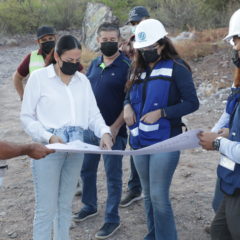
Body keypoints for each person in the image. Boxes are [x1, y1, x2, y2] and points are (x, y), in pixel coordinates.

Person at [20, 34, 113, 240]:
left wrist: (104, 132)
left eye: (77, 60)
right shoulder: (39, 79)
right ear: (56, 56)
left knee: (65, 206)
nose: (74, 64)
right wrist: (48, 137)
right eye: (69, 60)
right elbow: (26, 117)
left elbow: (93, 115)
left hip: (76, 148)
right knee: (46, 209)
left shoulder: (82, 81)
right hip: (47, 150)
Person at [124, 19, 199, 240]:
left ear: (162, 44)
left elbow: (192, 103)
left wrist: (163, 112)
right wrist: (126, 106)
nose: (146, 52)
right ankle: (153, 234)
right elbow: (128, 95)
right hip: (138, 142)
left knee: (158, 196)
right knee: (148, 195)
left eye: (150, 48)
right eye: (142, 49)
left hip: (165, 142)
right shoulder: (135, 69)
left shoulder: (178, 68)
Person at [73, 22, 130, 239]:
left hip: (114, 132)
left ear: (119, 41)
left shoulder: (127, 66)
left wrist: (114, 128)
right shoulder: (95, 63)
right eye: (104, 40)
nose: (108, 43)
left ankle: (111, 219)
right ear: (98, 40)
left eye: (112, 40)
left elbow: (129, 101)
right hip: (90, 130)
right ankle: (90, 205)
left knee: (112, 176)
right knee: (86, 170)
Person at [199, 9, 240, 240]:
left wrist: (218, 143)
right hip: (231, 174)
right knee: (219, 230)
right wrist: (220, 131)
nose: (235, 49)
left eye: (238, 42)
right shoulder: (239, 80)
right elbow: (230, 111)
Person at [120, 5, 150, 208]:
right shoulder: (130, 44)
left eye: (138, 22)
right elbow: (130, 74)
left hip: (155, 98)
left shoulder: (159, 41)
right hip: (136, 99)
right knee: (135, 143)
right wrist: (127, 102)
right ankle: (135, 188)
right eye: (133, 23)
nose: (136, 26)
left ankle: (152, 189)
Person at [13, 26, 57, 101]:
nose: (48, 41)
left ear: (55, 38)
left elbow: (80, 71)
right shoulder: (31, 57)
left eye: (50, 38)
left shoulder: (64, 55)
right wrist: (23, 97)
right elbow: (17, 77)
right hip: (37, 104)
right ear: (38, 41)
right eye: (44, 40)